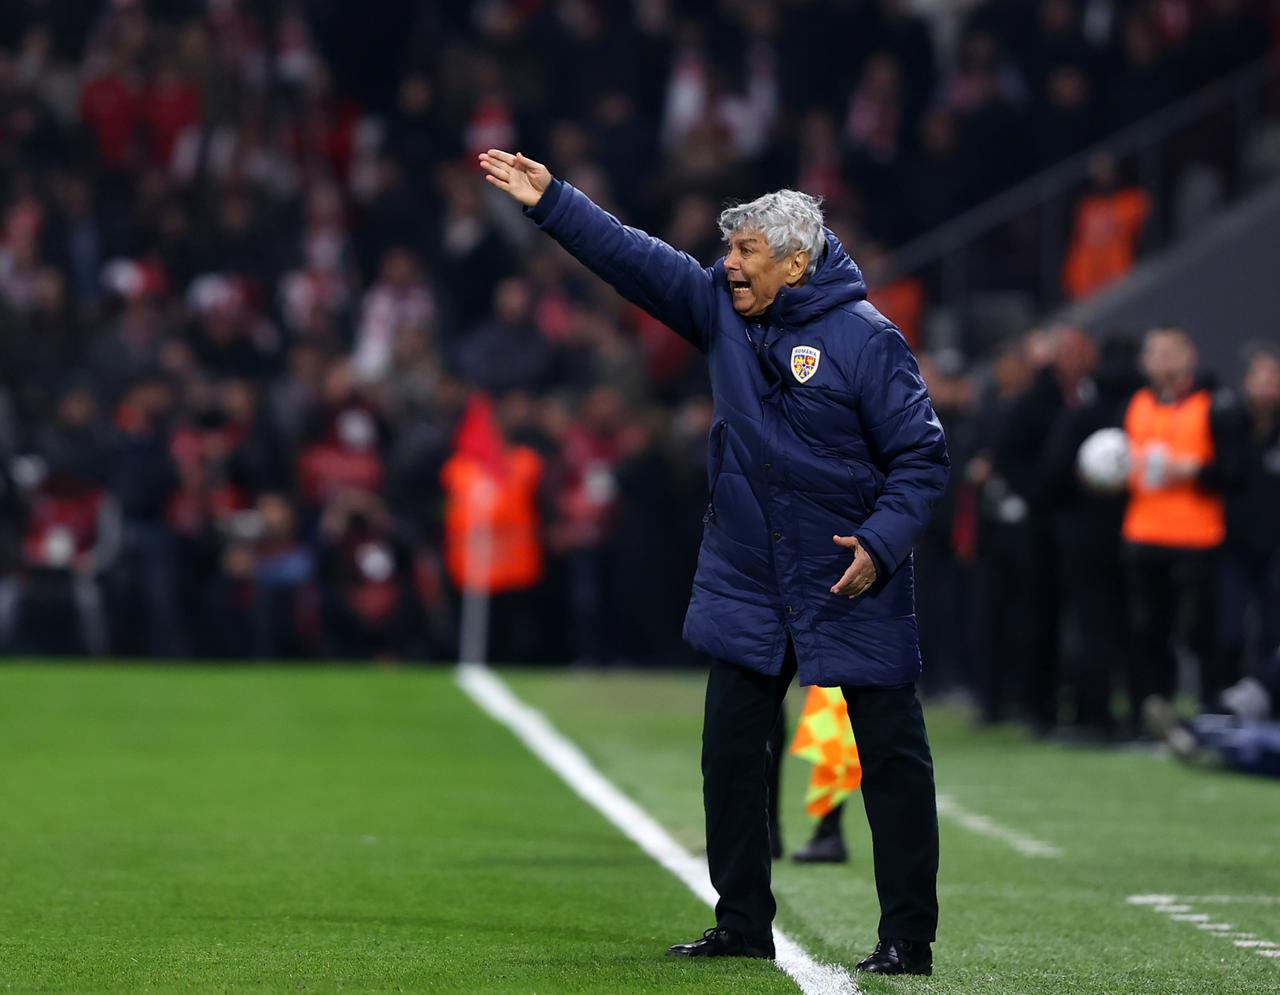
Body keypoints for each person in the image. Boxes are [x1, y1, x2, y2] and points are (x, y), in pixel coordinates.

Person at [479, 148, 948, 976]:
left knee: (891, 759)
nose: (726, 266)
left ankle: (907, 938)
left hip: (848, 570)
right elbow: (633, 256)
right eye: (729, 252)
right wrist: (552, 202)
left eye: (745, 254)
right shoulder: (721, 307)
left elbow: (921, 459)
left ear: (796, 264)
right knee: (730, 751)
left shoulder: (870, 341)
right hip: (750, 569)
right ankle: (741, 923)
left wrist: (880, 544)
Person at [1123, 326, 1243, 724]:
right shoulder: (1137, 404)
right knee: (1149, 630)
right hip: (1144, 532)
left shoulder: (1212, 405)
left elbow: (1232, 472)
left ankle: (1209, 708)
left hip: (1197, 535)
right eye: (1155, 351)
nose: (1164, 359)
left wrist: (1194, 470)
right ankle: (1156, 708)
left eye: (1171, 350)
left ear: (1190, 355)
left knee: (1200, 631)